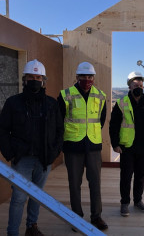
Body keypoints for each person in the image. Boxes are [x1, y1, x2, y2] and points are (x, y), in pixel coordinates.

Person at [0, 59, 63, 236]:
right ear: (24, 79)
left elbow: (59, 130)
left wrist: (54, 153)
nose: (35, 79)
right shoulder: (13, 103)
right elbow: (2, 129)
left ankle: (31, 226)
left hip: (44, 159)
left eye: (38, 77)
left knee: (37, 196)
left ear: (43, 80)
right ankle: (12, 232)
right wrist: (10, 153)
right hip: (21, 159)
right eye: (31, 76)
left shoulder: (51, 104)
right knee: (18, 198)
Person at [57, 62, 108, 231]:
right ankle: (77, 217)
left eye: (90, 77)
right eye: (84, 77)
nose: (87, 80)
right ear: (77, 77)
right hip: (72, 145)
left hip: (93, 145)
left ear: (93, 78)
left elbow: (100, 120)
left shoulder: (101, 96)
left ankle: (96, 216)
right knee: (74, 183)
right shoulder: (65, 95)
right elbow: (59, 121)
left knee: (95, 182)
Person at [109, 71, 144, 217]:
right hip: (127, 147)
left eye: (141, 85)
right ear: (129, 86)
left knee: (140, 176)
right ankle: (125, 203)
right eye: (135, 84)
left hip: (143, 147)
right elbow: (114, 126)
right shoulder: (121, 103)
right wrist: (115, 144)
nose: (139, 87)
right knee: (126, 176)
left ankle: (138, 201)